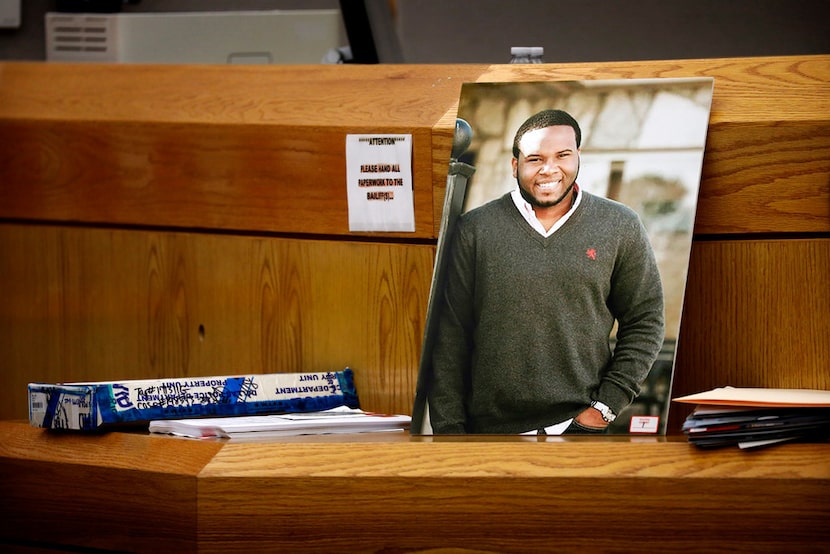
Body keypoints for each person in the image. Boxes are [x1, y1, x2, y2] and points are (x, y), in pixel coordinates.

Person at [428, 108, 665, 435]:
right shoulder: (475, 230)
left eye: (563, 155)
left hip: (580, 431)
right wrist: (449, 432)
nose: (549, 169)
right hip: (488, 434)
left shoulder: (620, 225)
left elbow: (645, 319)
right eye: (535, 158)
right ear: (516, 166)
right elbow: (449, 337)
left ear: (578, 157)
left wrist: (605, 407)